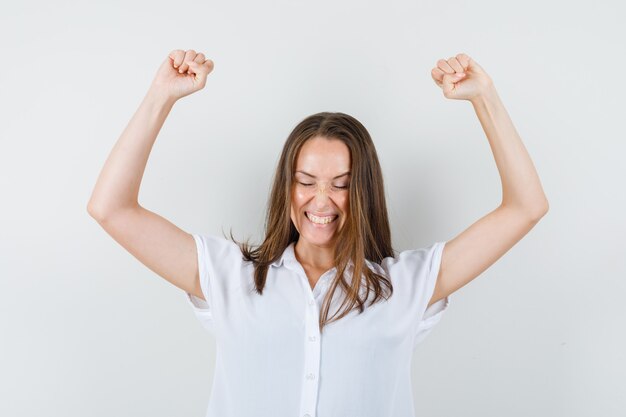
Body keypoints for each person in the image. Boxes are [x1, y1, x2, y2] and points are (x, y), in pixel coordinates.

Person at [87, 49, 549, 417]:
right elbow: (111, 209)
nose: (321, 200)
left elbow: (526, 207)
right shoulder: (230, 277)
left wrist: (484, 97)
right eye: (306, 182)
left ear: (364, 192)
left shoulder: (405, 286)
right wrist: (160, 95)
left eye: (342, 184)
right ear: (286, 188)